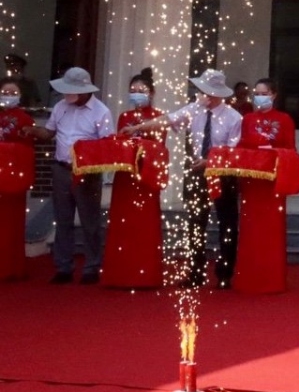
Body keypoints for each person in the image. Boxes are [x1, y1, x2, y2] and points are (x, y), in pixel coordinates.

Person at [124, 68, 242, 288]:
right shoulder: (195, 110)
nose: (202, 95)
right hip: (197, 172)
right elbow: (168, 119)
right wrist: (140, 127)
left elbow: (234, 150)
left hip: (223, 174)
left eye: (205, 92)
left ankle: (225, 273)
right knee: (195, 224)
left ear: (216, 94)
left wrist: (211, 161)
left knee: (227, 224)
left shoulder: (234, 117)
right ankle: (196, 272)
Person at [23, 67, 114, 284]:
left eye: (72, 91)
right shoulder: (60, 107)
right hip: (61, 167)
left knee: (90, 221)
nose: (68, 95)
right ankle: (63, 266)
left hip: (87, 172)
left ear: (85, 91)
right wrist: (35, 130)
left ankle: (92, 267)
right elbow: (50, 132)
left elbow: (107, 145)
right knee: (62, 219)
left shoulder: (101, 112)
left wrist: (90, 163)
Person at [103, 69, 167, 289]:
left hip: (146, 177)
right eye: (133, 91)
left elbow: (160, 148)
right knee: (123, 224)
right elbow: (118, 142)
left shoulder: (159, 116)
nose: (137, 94)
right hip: (126, 177)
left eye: (141, 90)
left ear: (151, 92)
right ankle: (119, 274)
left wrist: (140, 143)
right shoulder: (124, 116)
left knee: (144, 226)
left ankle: (145, 275)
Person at [234, 78, 296, 293]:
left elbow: (290, 151)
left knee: (271, 233)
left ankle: (272, 281)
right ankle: (248, 279)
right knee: (250, 231)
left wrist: (272, 155)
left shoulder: (284, 119)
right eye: (257, 93)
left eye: (264, 93)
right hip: (252, 184)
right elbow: (242, 146)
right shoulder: (248, 119)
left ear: (274, 95)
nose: (260, 97)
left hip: (272, 184)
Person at [0, 77, 35, 281]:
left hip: (12, 179)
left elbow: (28, 148)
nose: (8, 97)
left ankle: (11, 267)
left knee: (12, 224)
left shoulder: (24, 119)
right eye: (5, 92)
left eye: (13, 94)